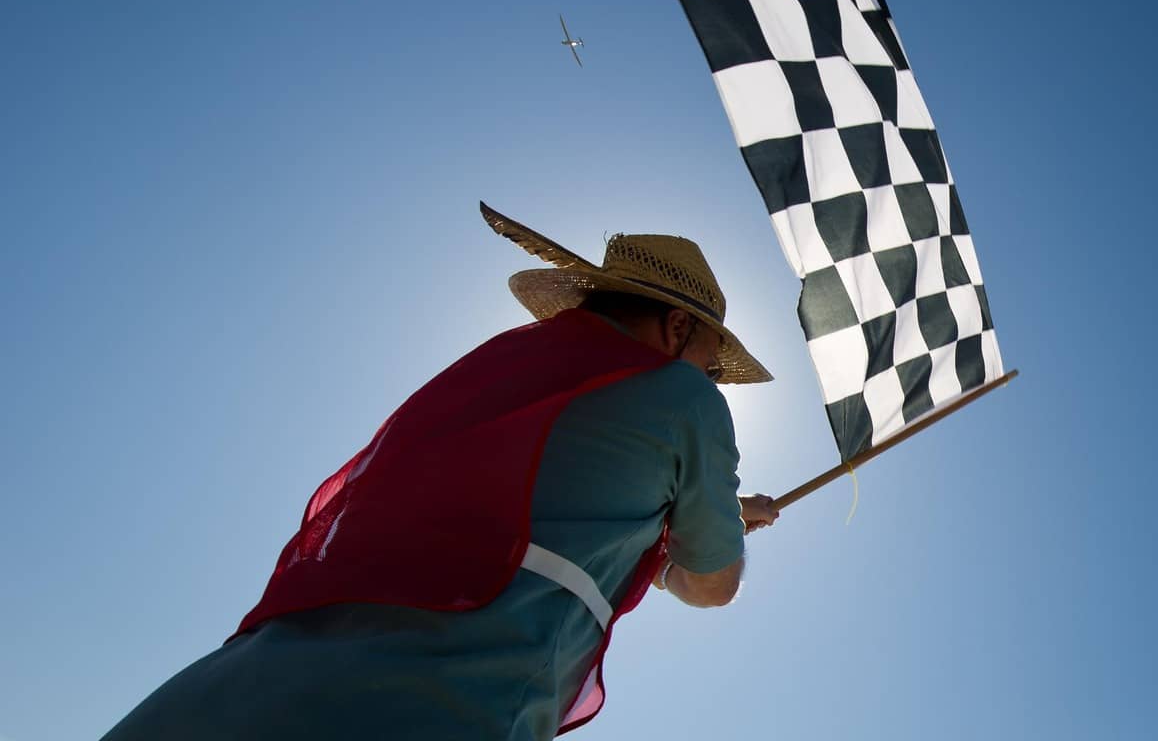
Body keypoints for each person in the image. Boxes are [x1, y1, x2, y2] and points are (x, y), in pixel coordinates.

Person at [102, 204, 779, 741]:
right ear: (676, 328)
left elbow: (565, 502)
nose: (714, 378)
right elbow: (710, 583)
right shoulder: (685, 398)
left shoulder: (505, 369)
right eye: (714, 362)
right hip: (440, 706)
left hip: (243, 688)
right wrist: (714, 525)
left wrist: (676, 518)